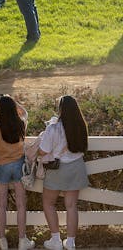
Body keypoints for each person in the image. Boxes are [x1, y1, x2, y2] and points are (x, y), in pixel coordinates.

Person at [38, 95, 89, 250]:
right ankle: (71, 242)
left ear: (61, 109)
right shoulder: (81, 126)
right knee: (72, 206)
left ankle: (55, 240)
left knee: (48, 203)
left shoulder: (54, 128)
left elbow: (42, 151)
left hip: (58, 168)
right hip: (77, 166)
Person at [0, 95, 35, 250]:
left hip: (1, 167)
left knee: (1, 205)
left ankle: (2, 240)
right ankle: (22, 240)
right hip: (19, 166)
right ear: (14, 109)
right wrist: (15, 102)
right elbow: (25, 113)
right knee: (21, 204)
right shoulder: (20, 123)